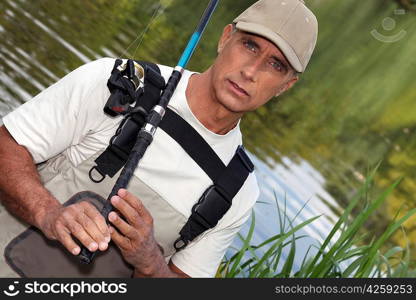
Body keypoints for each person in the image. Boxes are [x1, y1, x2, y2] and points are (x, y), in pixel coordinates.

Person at [0, 0, 317, 278]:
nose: (251, 71)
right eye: (249, 45)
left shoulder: (239, 192)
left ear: (286, 85)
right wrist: (48, 212)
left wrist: (151, 263)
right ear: (225, 38)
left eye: (276, 65)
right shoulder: (116, 85)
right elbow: (7, 144)